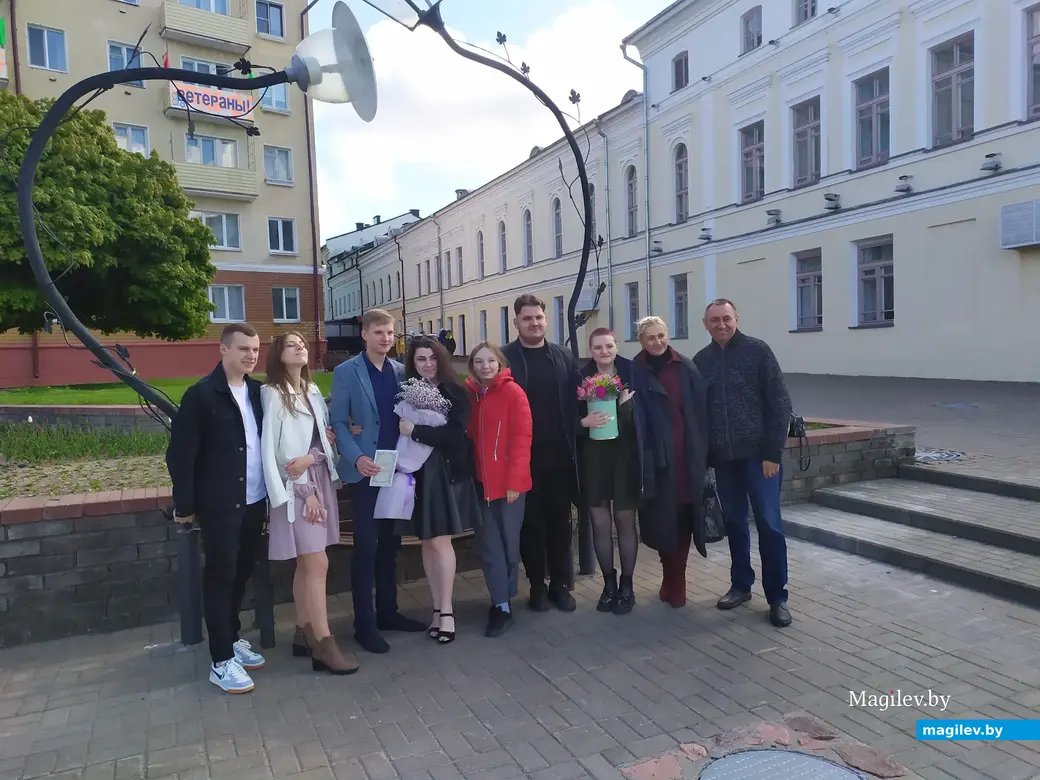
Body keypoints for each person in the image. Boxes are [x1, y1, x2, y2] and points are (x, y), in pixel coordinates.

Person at [165, 323, 270, 694]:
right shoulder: (202, 395)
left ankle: (232, 636)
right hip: (221, 503)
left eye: (255, 350)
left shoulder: (259, 392)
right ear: (222, 350)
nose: (251, 356)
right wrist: (186, 503)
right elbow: (181, 454)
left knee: (241, 572)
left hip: (256, 498)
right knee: (221, 575)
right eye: (243, 349)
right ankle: (221, 659)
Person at [260, 332, 358, 675]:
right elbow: (278, 451)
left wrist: (321, 447)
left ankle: (303, 631)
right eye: (291, 345)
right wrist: (306, 492)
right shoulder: (272, 393)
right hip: (298, 489)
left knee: (307, 564)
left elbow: (318, 445)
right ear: (278, 356)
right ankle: (324, 642)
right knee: (318, 564)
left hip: (318, 479)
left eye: (302, 343)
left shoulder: (312, 390)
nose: (300, 347)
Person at [330, 309, 425, 654]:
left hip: (396, 468)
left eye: (390, 333)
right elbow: (339, 422)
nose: (386, 338)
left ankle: (389, 613)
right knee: (366, 547)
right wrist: (357, 457)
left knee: (390, 546)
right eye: (379, 332)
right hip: (366, 470)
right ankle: (364, 624)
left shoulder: (401, 372)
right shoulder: (346, 372)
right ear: (365, 335)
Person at [694, 299, 794, 628]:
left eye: (726, 318)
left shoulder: (758, 351)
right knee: (735, 523)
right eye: (714, 320)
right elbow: (698, 413)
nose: (721, 324)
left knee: (769, 524)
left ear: (737, 318)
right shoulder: (702, 361)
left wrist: (772, 453)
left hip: (758, 458)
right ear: (705, 324)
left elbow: (780, 404)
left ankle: (777, 596)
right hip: (724, 460)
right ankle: (741, 585)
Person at [392, 336, 483, 645]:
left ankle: (446, 612)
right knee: (427, 542)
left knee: (441, 541)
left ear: (441, 359)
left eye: (432, 358)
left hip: (444, 475)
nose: (427, 364)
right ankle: (436, 607)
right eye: (420, 359)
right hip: (416, 475)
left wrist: (415, 430)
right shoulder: (409, 393)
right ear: (412, 363)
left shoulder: (455, 392)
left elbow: (456, 437)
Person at [502, 294, 581, 612]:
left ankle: (561, 585)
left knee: (560, 523)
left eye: (539, 317)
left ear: (546, 320)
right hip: (522, 458)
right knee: (530, 524)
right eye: (527, 318)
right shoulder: (505, 358)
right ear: (517, 322)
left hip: (559, 456)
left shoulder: (562, 355)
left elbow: (578, 397)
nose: (534, 323)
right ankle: (536, 586)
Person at [632, 316, 711, 609]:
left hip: (685, 457)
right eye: (650, 337)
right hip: (653, 461)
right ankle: (670, 580)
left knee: (683, 519)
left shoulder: (685, 367)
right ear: (641, 341)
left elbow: (700, 412)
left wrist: (702, 451)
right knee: (662, 521)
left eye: (661, 335)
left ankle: (677, 583)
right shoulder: (634, 370)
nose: (657, 342)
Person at [577, 328, 656, 615]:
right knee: (599, 523)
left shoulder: (632, 372)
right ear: (591, 349)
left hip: (624, 459)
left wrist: (625, 408)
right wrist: (583, 422)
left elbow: (645, 421)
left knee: (625, 521)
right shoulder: (580, 376)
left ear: (616, 345)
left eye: (608, 346)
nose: (604, 352)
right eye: (598, 347)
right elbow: (569, 420)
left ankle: (627, 585)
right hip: (594, 460)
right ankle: (608, 584)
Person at [465, 342, 533, 637]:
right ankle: (501, 604)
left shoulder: (513, 393)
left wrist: (515, 482)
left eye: (490, 361)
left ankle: (507, 594)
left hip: (509, 487)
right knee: (490, 546)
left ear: (500, 363)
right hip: (480, 485)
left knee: (509, 546)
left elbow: (522, 439)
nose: (485, 366)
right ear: (472, 366)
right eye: (479, 362)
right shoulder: (469, 395)